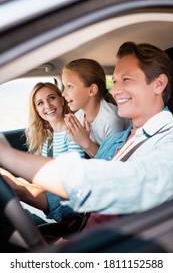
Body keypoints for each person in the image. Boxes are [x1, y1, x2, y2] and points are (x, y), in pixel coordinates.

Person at [1, 41, 173, 219]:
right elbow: (79, 199)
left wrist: (8, 156)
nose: (115, 91)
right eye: (114, 81)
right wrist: (21, 190)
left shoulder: (168, 140)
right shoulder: (116, 141)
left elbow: (121, 183)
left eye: (126, 79)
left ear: (158, 84)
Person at [1, 82, 86, 225]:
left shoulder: (72, 129)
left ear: (61, 99)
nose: (47, 106)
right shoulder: (48, 137)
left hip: (70, 198)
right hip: (54, 189)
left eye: (51, 98)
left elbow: (74, 176)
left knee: (12, 185)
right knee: (9, 180)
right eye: (40, 103)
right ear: (36, 110)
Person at [62, 58, 130, 157]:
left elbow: (111, 162)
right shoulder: (78, 117)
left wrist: (85, 142)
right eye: (64, 86)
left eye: (69, 86)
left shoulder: (111, 120)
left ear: (92, 90)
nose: (63, 93)